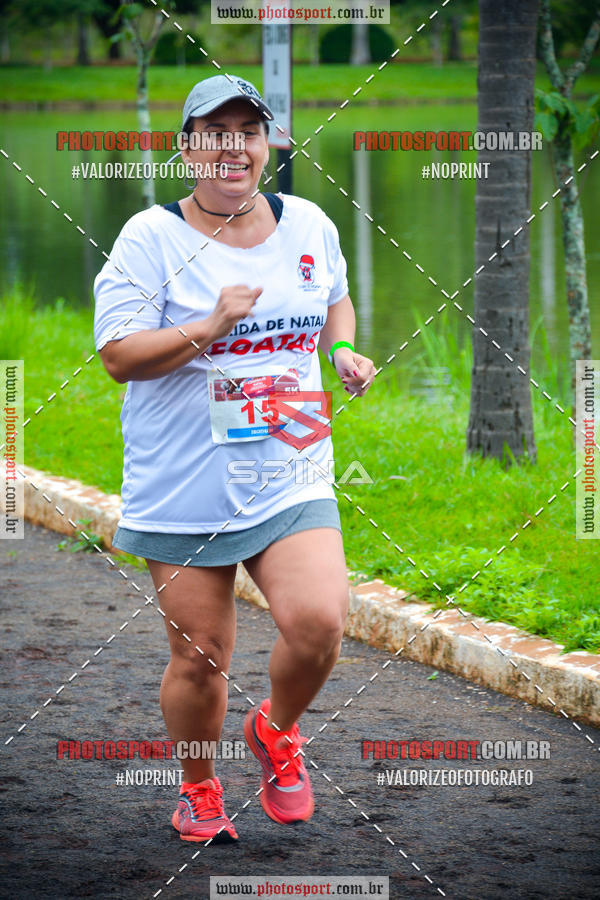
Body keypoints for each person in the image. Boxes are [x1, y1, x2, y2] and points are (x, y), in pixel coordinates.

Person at [93, 74, 375, 843]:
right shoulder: (149, 239)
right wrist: (211, 325)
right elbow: (119, 357)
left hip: (290, 462)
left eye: (246, 132)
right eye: (213, 133)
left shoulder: (309, 222)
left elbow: (335, 299)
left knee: (318, 622)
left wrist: (343, 348)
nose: (232, 147)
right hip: (183, 482)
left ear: (266, 145)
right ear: (188, 147)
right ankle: (199, 786)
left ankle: (277, 731)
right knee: (201, 660)